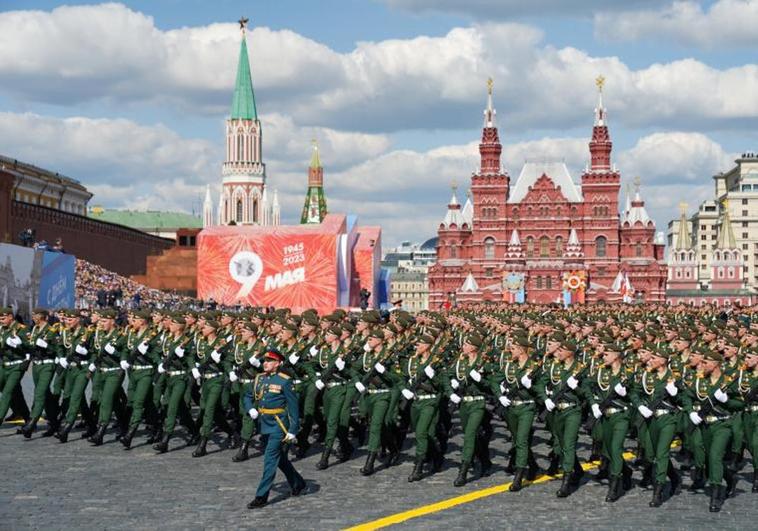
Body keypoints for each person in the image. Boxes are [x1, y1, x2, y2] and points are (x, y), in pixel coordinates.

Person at [244, 349, 306, 509]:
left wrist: (293, 430)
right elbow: (248, 396)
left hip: (279, 425)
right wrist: (250, 408)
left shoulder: (284, 381)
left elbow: (293, 408)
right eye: (264, 360)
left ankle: (261, 496)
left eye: (269, 361)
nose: (265, 363)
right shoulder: (259, 379)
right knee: (280, 459)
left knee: (270, 460)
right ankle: (297, 483)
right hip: (264, 424)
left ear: (278, 364)